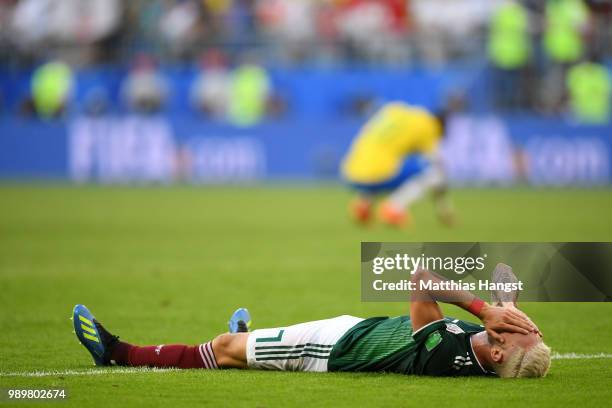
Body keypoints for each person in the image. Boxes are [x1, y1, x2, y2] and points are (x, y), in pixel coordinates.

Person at [73, 268, 550, 378]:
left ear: (499, 351)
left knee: (219, 348)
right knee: (240, 344)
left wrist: (485, 309)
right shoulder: (488, 354)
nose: (523, 325)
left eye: (519, 331)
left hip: (331, 350)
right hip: (352, 330)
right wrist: (503, 299)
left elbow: (421, 279)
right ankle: (247, 341)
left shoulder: (450, 354)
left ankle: (116, 352)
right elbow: (503, 281)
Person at [341, 101, 454, 228]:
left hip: (350, 171)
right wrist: (443, 208)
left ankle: (363, 205)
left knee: (384, 162)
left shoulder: (394, 110)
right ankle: (394, 208)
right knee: (432, 174)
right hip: (379, 173)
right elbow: (436, 164)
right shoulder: (430, 126)